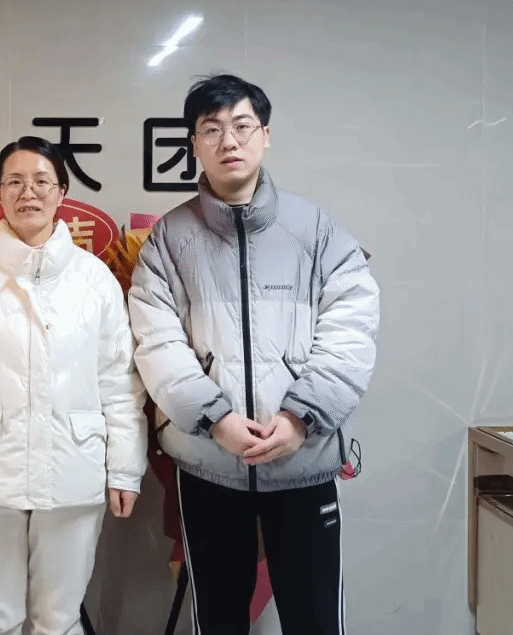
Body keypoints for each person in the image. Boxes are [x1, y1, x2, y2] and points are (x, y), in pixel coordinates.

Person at [128, 74, 380, 635]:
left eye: (242, 126)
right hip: (208, 463)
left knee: (315, 620)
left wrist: (300, 417)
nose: (229, 141)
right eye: (212, 129)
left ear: (265, 136)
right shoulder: (170, 240)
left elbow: (352, 331)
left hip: (304, 460)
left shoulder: (316, 229)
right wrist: (215, 419)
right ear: (194, 144)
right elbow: (157, 342)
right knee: (219, 619)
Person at [0, 136, 147, 635]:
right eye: (15, 182)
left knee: (59, 620)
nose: (29, 193)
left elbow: (120, 382)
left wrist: (125, 469)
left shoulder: (95, 281)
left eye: (42, 181)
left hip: (73, 467)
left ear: (62, 192)